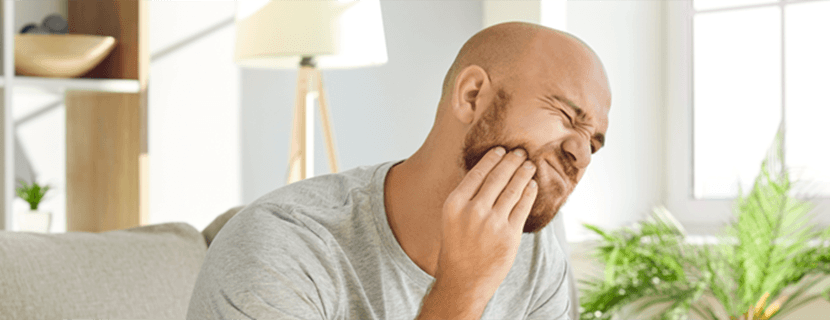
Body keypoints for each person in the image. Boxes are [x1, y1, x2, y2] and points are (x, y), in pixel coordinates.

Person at [189, 21, 610, 320]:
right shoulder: (283, 246)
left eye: (594, 142)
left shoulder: (534, 257)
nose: (582, 156)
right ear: (472, 95)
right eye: (566, 116)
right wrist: (462, 289)